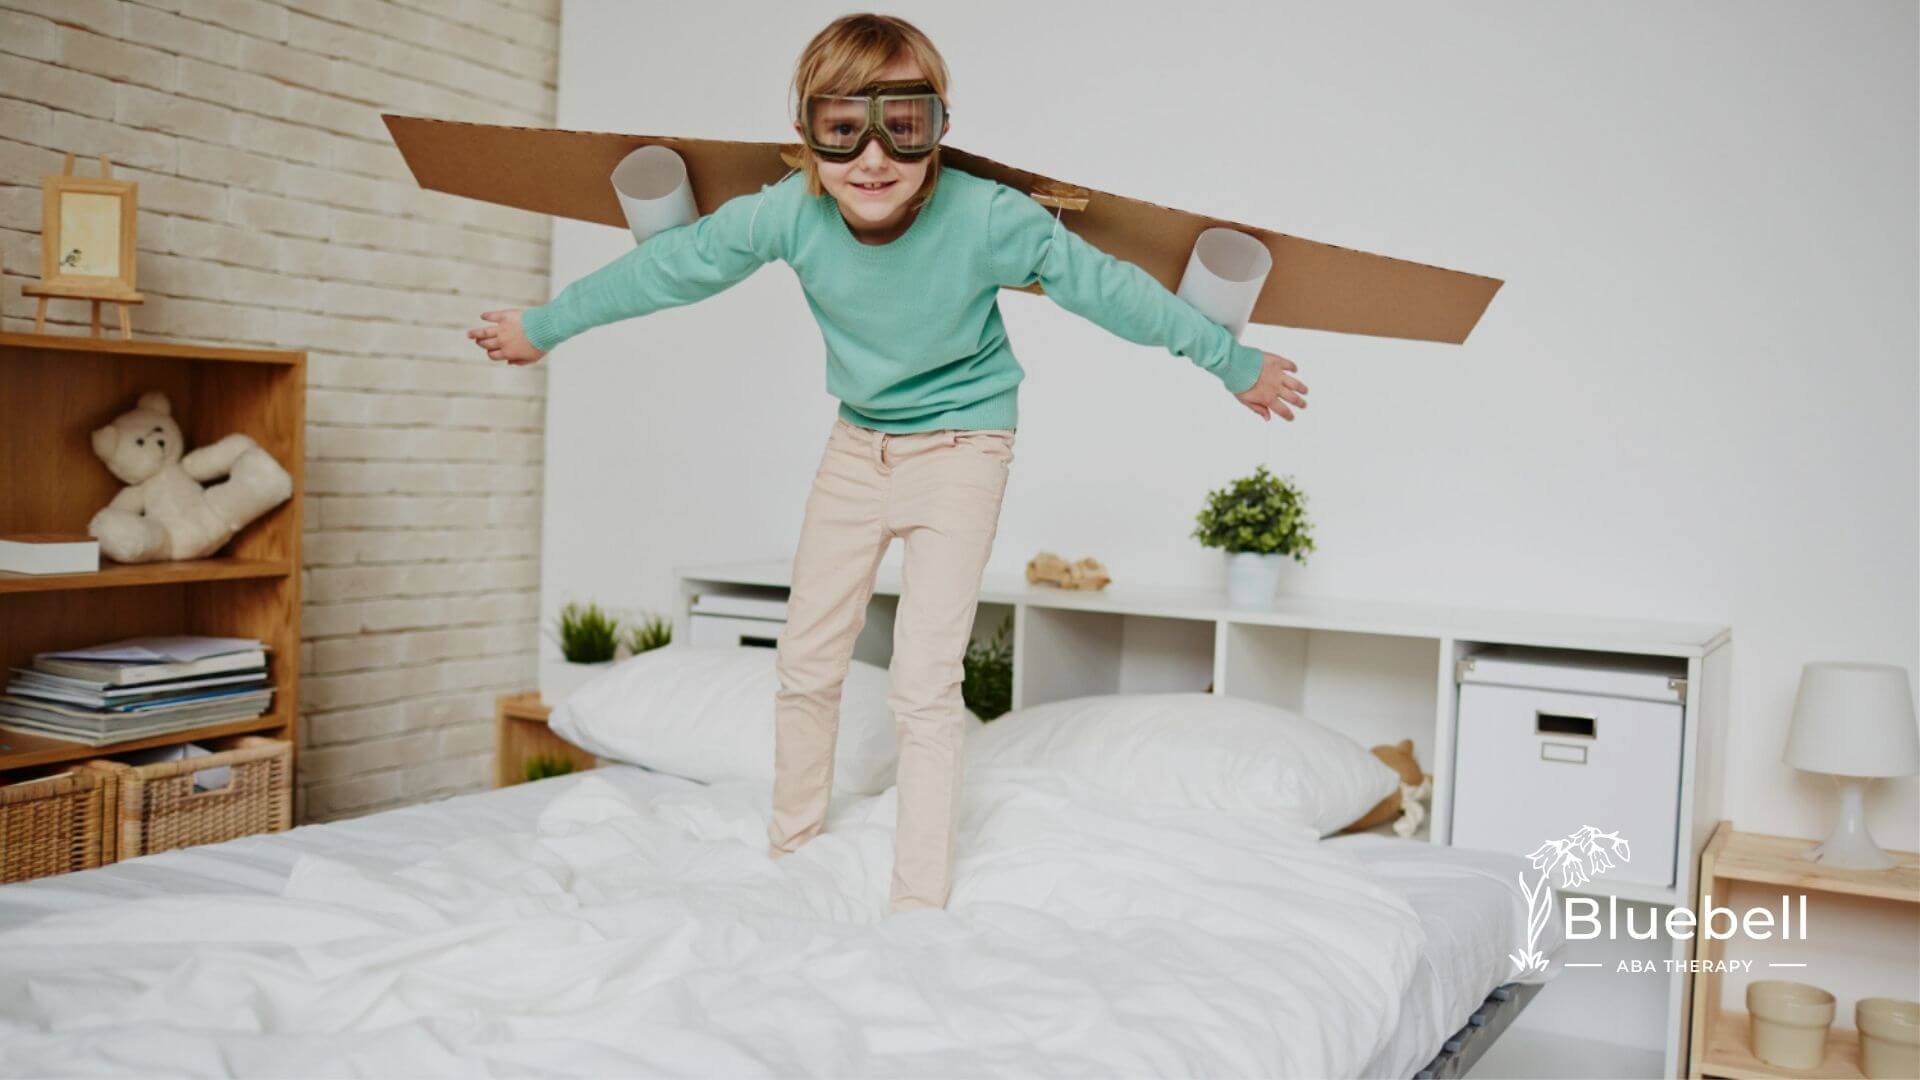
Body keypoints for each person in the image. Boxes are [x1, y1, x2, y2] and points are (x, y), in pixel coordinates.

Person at [467, 13, 1310, 914]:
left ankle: (918, 901)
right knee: (806, 660)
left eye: (901, 126)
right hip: (856, 446)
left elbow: (1116, 294)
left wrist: (1233, 363)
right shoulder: (787, 214)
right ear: (807, 133)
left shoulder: (991, 218)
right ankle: (792, 855)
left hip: (964, 448)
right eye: (843, 129)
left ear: (938, 126)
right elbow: (668, 268)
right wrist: (544, 326)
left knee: (923, 682)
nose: (872, 158)